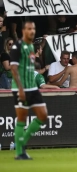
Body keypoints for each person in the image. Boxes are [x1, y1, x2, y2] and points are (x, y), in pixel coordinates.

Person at [10, 21, 48, 160]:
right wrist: (20, 89)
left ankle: (20, 144)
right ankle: (20, 152)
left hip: (32, 87)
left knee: (43, 115)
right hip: (21, 88)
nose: (32, 31)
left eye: (34, 28)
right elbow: (14, 68)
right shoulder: (17, 46)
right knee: (21, 118)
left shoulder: (31, 46)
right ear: (23, 30)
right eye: (29, 29)